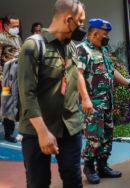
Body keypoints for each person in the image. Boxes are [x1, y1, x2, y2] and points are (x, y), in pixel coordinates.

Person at [17, 0, 92, 187]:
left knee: (73, 179)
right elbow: (27, 94)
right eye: (80, 21)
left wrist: (85, 98)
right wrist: (43, 133)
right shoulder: (33, 46)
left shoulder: (71, 46)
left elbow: (76, 76)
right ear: (68, 20)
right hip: (37, 130)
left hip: (70, 127)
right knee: (39, 182)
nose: (82, 26)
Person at [77, 18, 130, 184]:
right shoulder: (82, 49)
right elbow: (77, 74)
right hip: (92, 102)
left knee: (107, 135)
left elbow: (111, 71)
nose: (107, 37)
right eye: (104, 34)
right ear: (94, 33)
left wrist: (129, 84)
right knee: (94, 136)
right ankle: (89, 167)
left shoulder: (103, 49)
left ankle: (103, 165)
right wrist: (85, 99)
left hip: (107, 101)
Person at [0, 15, 22, 143]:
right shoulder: (1, 38)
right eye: (14, 26)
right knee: (7, 103)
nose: (17, 28)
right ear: (6, 25)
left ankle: (12, 130)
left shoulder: (17, 38)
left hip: (17, 76)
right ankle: (8, 133)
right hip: (6, 78)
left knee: (15, 103)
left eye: (18, 26)